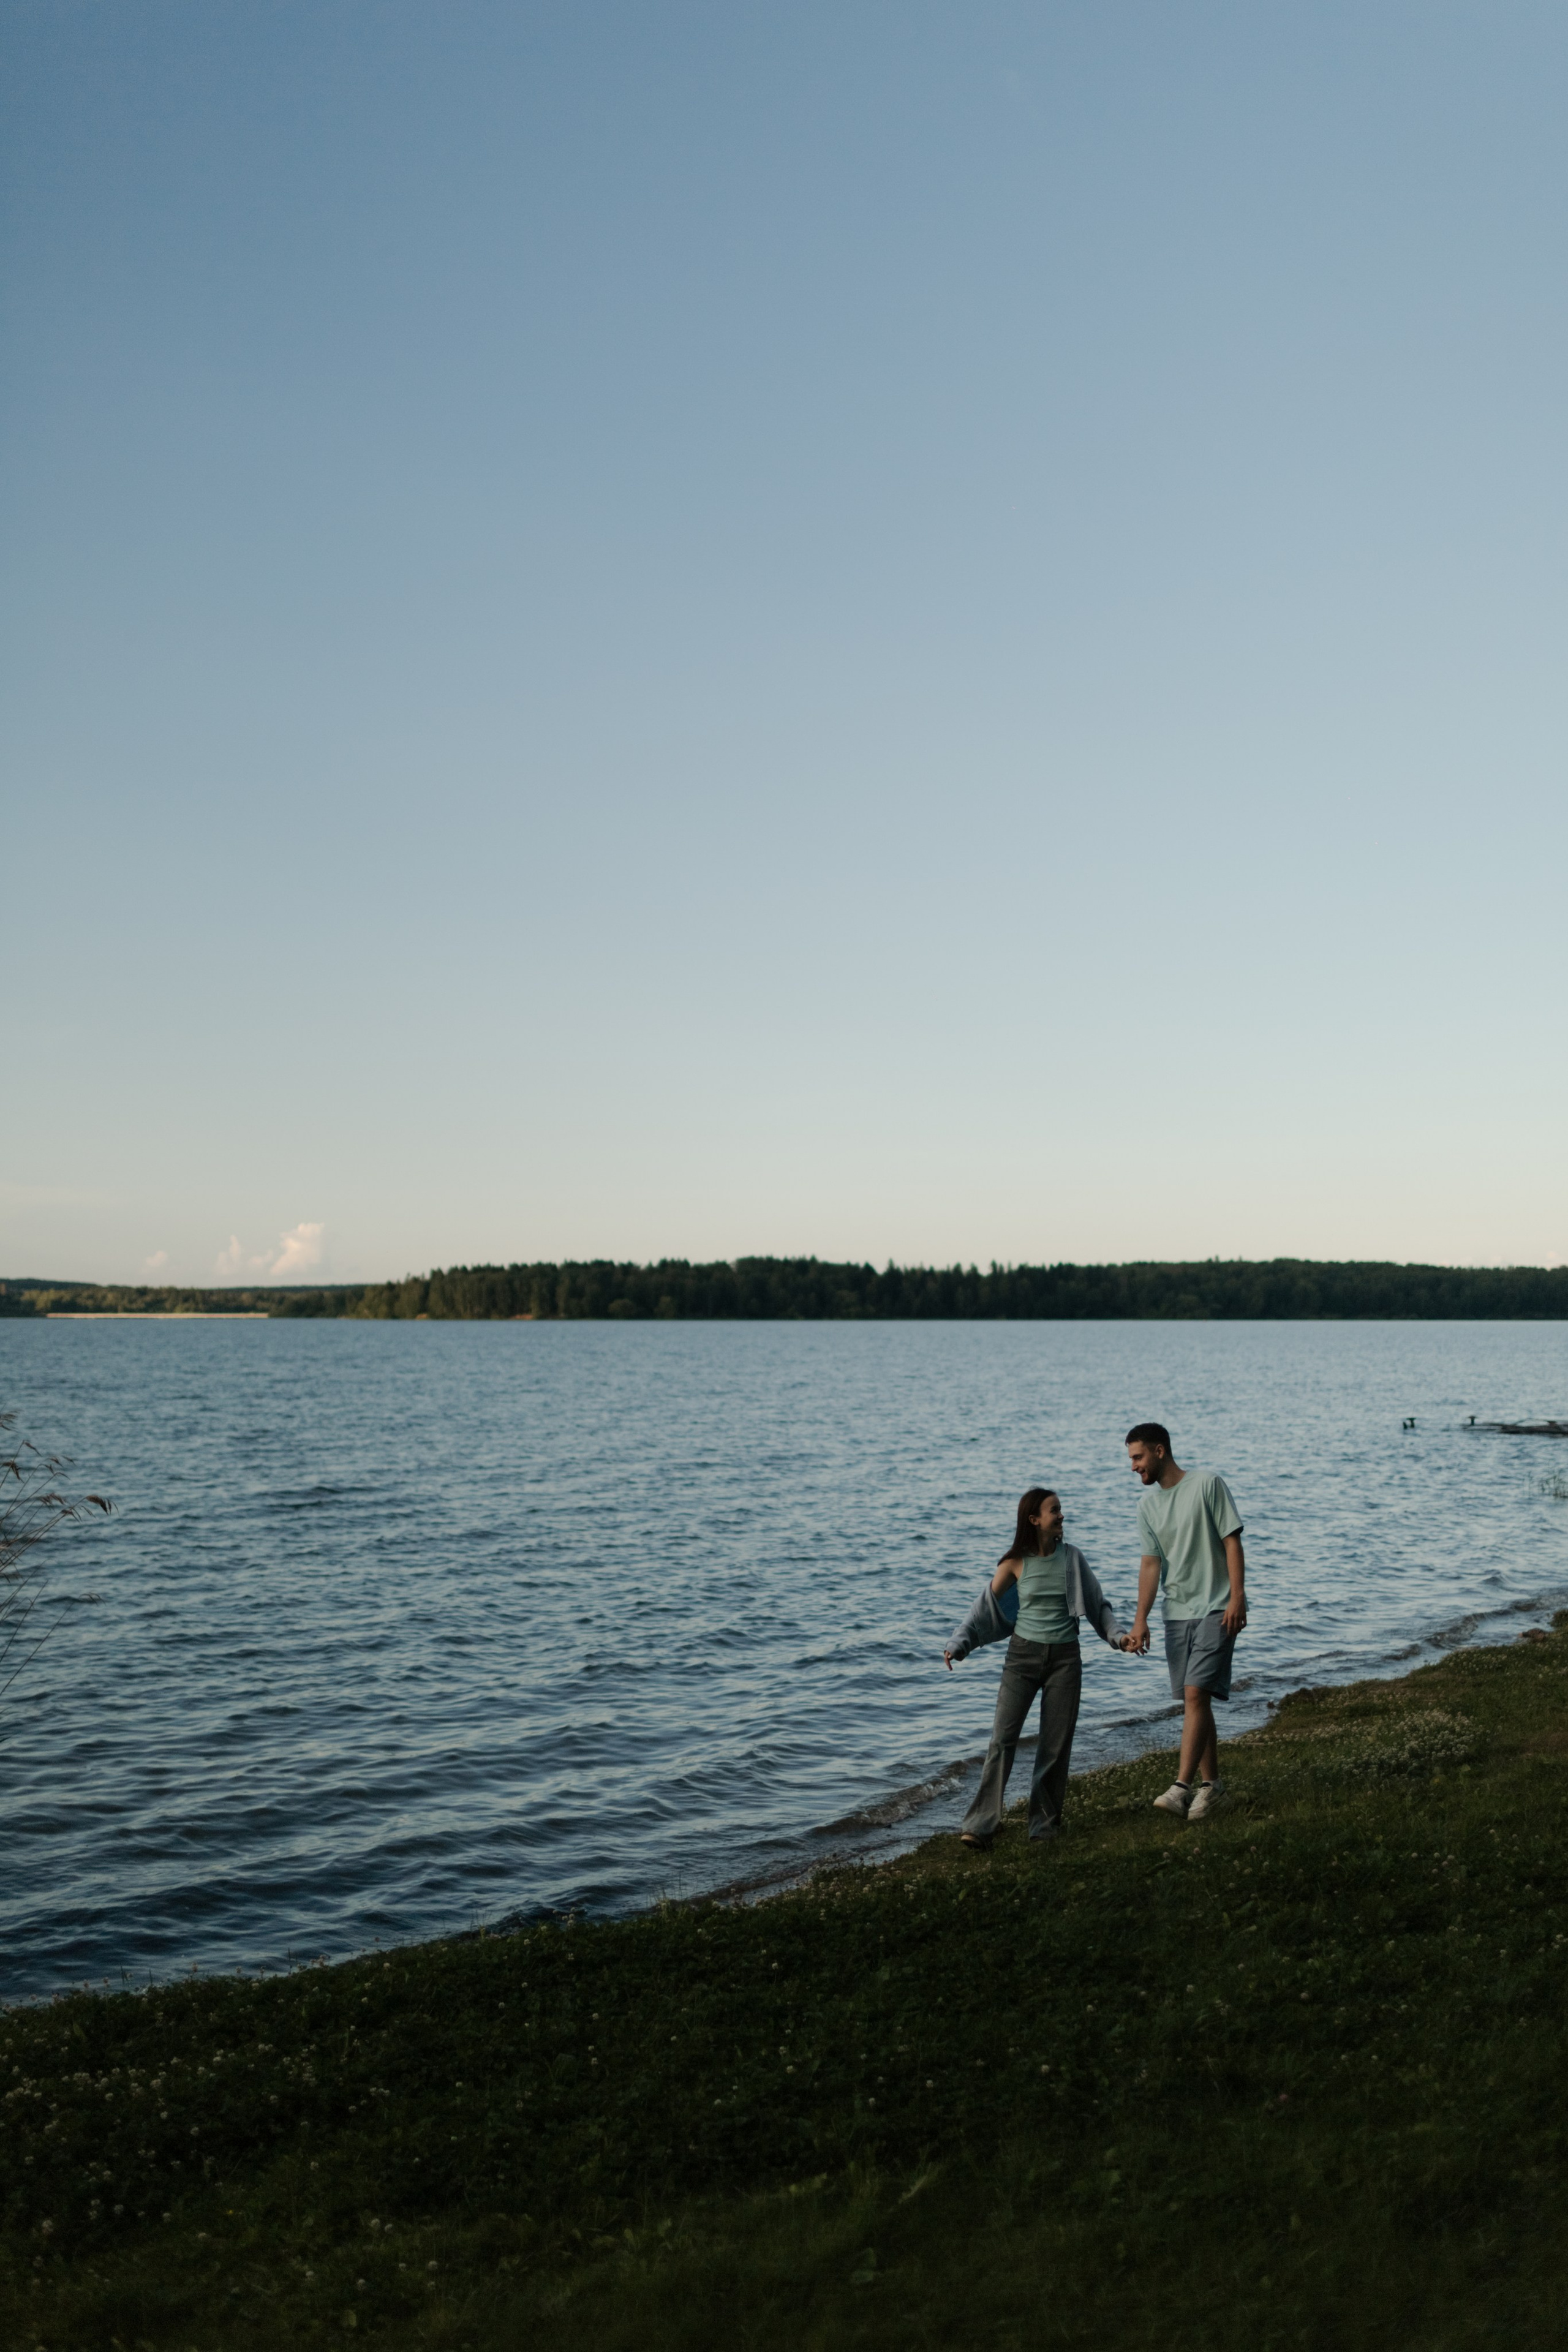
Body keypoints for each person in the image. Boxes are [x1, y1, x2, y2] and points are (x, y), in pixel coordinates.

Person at [944, 1486, 1124, 1848]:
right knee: (1002, 1741)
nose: (1061, 1515)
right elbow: (982, 1609)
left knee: (1054, 1747)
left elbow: (1097, 1604)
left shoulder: (1073, 1558)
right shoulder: (1014, 1562)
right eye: (1054, 1510)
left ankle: (1043, 1828)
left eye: (1060, 1510)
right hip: (1021, 1660)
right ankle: (980, 1826)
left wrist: (1118, 1637)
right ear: (1034, 1519)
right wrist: (958, 1643)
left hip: (1065, 1661)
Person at [1121, 1423, 1246, 1820]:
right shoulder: (1148, 1507)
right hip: (1176, 1614)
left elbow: (1232, 1540)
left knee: (1195, 1694)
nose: (1133, 1467)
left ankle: (1181, 1786)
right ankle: (1213, 1788)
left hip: (1217, 1606)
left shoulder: (1207, 1484)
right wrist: (1140, 1621)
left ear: (1160, 1451)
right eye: (1131, 1460)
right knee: (1198, 1700)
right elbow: (1150, 1564)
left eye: (1138, 1458)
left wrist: (1237, 1597)